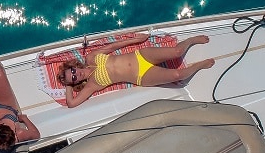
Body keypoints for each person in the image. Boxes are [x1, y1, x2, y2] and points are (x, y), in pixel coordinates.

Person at [57, 33, 215, 108]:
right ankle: (198, 66)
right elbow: (71, 103)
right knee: (178, 75)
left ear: (74, 66)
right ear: (76, 82)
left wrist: (135, 40)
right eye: (73, 78)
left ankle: (190, 40)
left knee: (176, 52)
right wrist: (67, 85)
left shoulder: (90, 58)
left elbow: (112, 47)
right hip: (141, 76)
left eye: (72, 72)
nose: (74, 75)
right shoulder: (92, 84)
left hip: (140, 57)